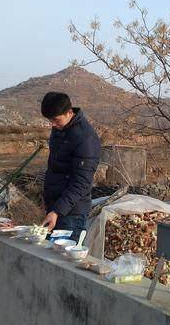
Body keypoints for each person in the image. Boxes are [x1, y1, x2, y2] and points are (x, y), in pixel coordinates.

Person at [40, 92, 101, 242]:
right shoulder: (61, 128)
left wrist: (57, 210)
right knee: (47, 256)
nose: (52, 125)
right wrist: (48, 199)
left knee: (61, 261)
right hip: (55, 207)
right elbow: (55, 167)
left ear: (69, 112)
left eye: (56, 120)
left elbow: (81, 183)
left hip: (72, 213)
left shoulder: (85, 138)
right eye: (50, 120)